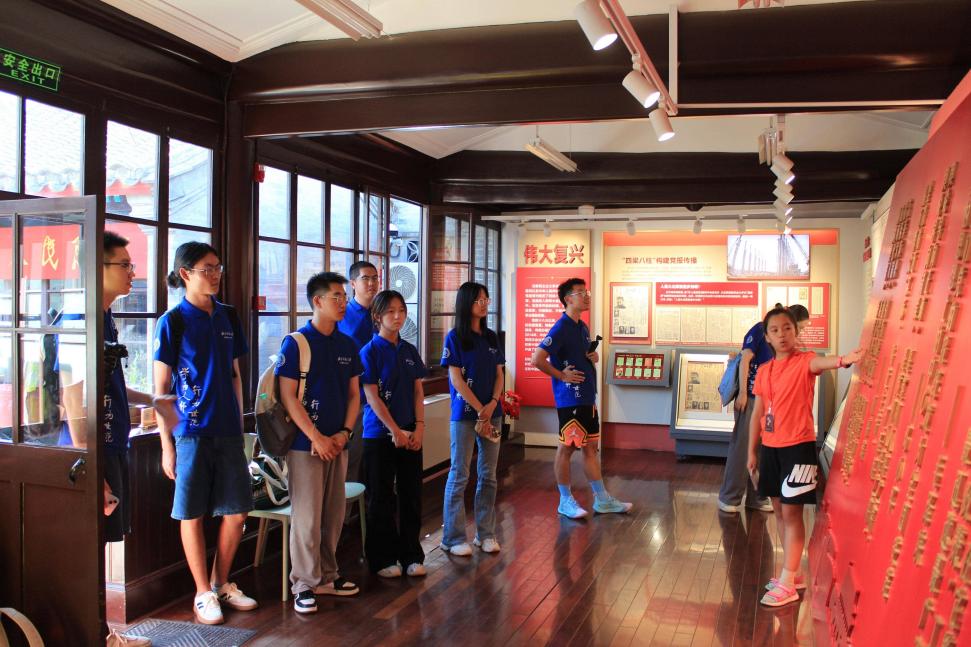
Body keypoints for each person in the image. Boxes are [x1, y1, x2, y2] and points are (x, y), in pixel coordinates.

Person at [153, 242, 257, 625]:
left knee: (237, 510)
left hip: (228, 430)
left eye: (218, 268)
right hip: (191, 432)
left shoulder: (228, 315)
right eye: (206, 269)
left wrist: (240, 422)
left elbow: (234, 374)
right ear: (185, 274)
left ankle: (221, 582)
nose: (215, 275)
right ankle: (202, 592)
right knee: (191, 512)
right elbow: (160, 390)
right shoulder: (172, 322)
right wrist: (167, 446)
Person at [747, 306, 861, 607]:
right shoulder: (764, 370)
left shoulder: (804, 361)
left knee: (791, 513)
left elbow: (822, 362)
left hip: (798, 447)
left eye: (787, 328)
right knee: (777, 509)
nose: (782, 334)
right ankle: (792, 573)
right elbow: (758, 413)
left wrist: (844, 360)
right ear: (767, 337)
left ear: (795, 331)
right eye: (775, 330)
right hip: (770, 447)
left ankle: (788, 582)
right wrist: (751, 452)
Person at [277, 272, 363, 614]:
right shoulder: (296, 343)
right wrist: (316, 437)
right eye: (336, 297)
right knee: (307, 517)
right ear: (317, 301)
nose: (343, 303)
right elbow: (288, 397)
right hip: (304, 445)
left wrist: (343, 433)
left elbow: (354, 395)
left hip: (338, 443)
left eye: (344, 297)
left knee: (334, 514)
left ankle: (328, 575)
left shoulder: (347, 345)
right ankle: (303, 583)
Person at [103, 231, 172, 647]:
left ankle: (106, 633)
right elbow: (73, 398)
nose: (133, 272)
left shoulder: (107, 318)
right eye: (125, 265)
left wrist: (154, 400)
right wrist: (92, 471)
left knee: (103, 544)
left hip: (114, 445)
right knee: (89, 546)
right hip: (92, 456)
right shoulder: (81, 320)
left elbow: (112, 385)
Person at [530, 278, 631, 519]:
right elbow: (537, 359)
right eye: (580, 292)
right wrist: (561, 375)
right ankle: (565, 500)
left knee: (590, 448)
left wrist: (592, 357)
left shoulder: (582, 327)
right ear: (567, 299)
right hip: (570, 399)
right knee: (566, 448)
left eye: (586, 292)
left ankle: (602, 499)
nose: (586, 296)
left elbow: (581, 354)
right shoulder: (561, 327)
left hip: (587, 397)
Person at [359, 290, 428, 578]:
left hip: (410, 433)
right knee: (381, 497)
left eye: (401, 310)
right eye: (391, 311)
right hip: (379, 435)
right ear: (377, 316)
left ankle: (412, 555)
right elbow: (372, 397)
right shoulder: (369, 352)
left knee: (411, 495)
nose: (398, 316)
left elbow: (417, 391)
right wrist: (394, 430)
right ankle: (382, 559)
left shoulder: (409, 350)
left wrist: (419, 427)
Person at [718, 304, 810, 514]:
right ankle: (729, 497)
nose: (800, 332)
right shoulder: (760, 330)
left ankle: (758, 497)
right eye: (801, 327)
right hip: (751, 398)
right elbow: (746, 359)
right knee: (743, 447)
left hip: (770, 403)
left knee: (762, 450)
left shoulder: (787, 344)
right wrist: (743, 393)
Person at [439, 282, 505, 556]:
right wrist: (480, 409)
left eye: (486, 299)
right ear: (466, 303)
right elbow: (456, 379)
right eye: (479, 299)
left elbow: (500, 375)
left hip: (493, 414)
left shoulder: (491, 337)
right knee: (460, 474)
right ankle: (453, 538)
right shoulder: (455, 337)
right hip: (465, 415)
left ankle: (485, 534)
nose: (484, 303)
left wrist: (492, 404)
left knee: (488, 475)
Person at [338, 261, 380, 484]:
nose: (371, 283)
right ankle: (347, 507)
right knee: (352, 460)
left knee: (376, 459)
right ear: (353, 283)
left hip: (381, 398)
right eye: (366, 278)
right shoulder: (342, 314)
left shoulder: (381, 313)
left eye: (375, 278)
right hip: (354, 399)